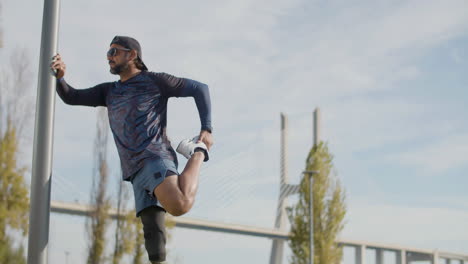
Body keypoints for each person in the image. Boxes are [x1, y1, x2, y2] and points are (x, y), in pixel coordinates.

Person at [51, 36, 213, 263]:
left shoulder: (155, 81)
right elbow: (71, 96)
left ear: (132, 55)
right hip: (135, 173)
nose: (108, 57)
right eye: (108, 53)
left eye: (114, 52)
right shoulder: (108, 91)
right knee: (155, 249)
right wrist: (60, 78)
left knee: (180, 204)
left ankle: (198, 150)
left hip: (155, 158)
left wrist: (206, 128)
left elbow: (199, 88)